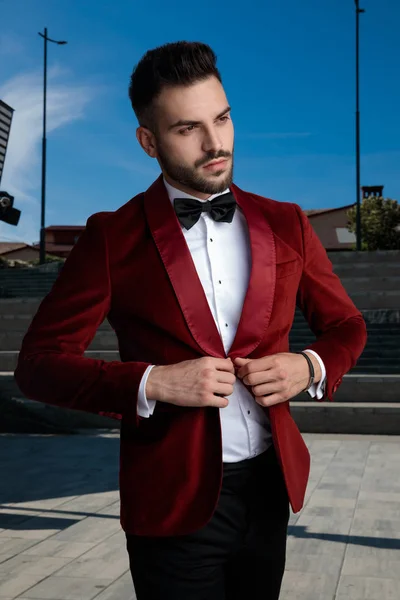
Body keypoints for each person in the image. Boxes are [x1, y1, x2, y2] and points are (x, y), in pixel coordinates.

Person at [15, 41, 367, 600]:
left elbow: (348, 325)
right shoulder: (112, 237)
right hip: (171, 502)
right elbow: (36, 366)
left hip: (268, 490)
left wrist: (311, 365)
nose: (215, 143)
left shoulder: (287, 222)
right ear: (148, 142)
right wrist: (154, 381)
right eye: (187, 129)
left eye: (222, 118)